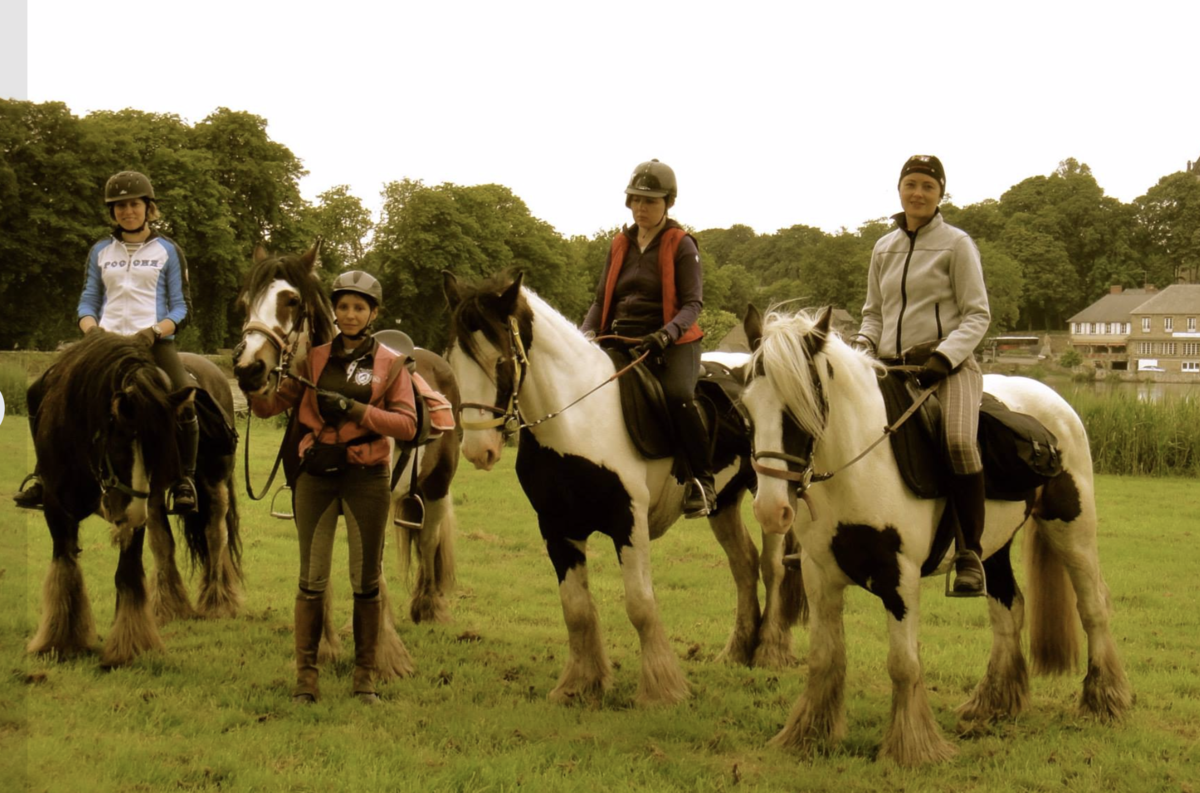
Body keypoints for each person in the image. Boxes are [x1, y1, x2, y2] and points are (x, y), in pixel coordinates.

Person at [248, 271, 418, 704]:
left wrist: (357, 410)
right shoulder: (312, 359)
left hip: (367, 480)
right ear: (335, 311)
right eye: (343, 306)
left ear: (374, 313)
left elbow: (407, 424)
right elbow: (271, 406)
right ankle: (306, 677)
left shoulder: (390, 363)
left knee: (365, 581)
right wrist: (251, 382)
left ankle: (365, 677)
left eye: (360, 307)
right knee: (312, 579)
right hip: (317, 479)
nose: (350, 314)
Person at [14, 171, 198, 513]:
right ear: (112, 212)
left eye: (134, 204)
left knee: (183, 393)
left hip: (152, 342)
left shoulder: (168, 250)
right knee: (39, 390)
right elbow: (88, 300)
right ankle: (44, 475)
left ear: (148, 207)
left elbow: (181, 305)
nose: (127, 211)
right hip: (103, 343)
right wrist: (90, 328)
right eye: (119, 206)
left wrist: (155, 331)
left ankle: (183, 480)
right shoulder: (100, 250)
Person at [857, 154, 992, 597]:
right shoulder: (882, 247)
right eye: (911, 184)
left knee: (956, 439)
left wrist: (946, 357)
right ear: (899, 189)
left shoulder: (958, 244)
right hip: (892, 367)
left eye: (927, 187)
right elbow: (873, 314)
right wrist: (861, 350)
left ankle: (970, 553)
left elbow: (977, 315)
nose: (918, 193)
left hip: (947, 368)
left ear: (940, 195)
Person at [580, 159, 714, 518]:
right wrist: (582, 338)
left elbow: (692, 303)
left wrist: (666, 335)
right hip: (620, 340)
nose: (641, 207)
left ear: (667, 203)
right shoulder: (619, 244)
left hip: (673, 342)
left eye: (650, 201)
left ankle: (702, 481)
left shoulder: (681, 244)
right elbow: (599, 301)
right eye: (636, 199)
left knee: (678, 396)